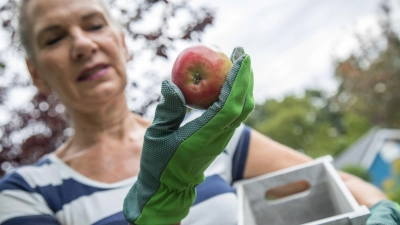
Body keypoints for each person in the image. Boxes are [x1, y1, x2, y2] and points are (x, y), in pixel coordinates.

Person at [0, 0, 399, 224]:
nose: (83, 44)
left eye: (94, 25)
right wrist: (158, 207)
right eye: (54, 37)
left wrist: (380, 211)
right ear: (36, 72)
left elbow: (333, 180)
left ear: (122, 44)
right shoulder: (26, 193)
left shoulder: (211, 139)